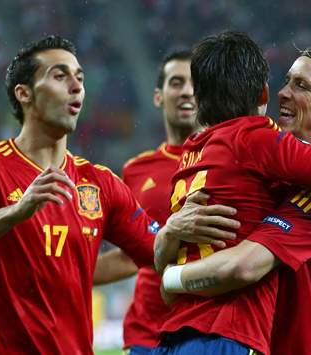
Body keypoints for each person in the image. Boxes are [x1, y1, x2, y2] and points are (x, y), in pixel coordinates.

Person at [0, 35, 158, 355]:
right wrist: (16, 211)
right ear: (24, 94)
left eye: (80, 78)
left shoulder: (101, 182)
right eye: (60, 76)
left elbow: (155, 252)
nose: (76, 87)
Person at [152, 31, 311, 355]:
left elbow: (244, 265)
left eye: (301, 86)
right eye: (286, 80)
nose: (283, 93)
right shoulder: (267, 165)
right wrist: (170, 233)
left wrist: (169, 279)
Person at [93, 49, 200, 355]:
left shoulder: (233, 160)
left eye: (195, 84)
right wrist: (59, 274)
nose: (187, 92)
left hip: (207, 330)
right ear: (158, 96)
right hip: (146, 333)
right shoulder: (135, 170)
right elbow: (129, 256)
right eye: (176, 83)